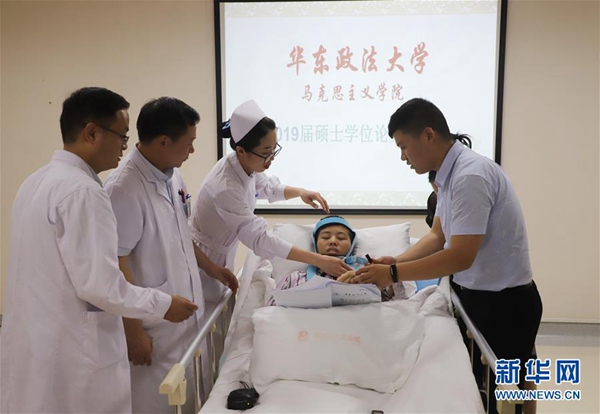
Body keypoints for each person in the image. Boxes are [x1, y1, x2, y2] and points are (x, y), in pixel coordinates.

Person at [0, 87, 198, 414]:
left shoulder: (35, 182)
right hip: (74, 357)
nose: (125, 147)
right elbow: (101, 286)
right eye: (122, 137)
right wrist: (164, 304)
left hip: (38, 346)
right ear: (91, 133)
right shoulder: (85, 193)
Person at [347, 98, 543, 414]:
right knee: (484, 391)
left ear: (428, 135)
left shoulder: (470, 175)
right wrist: (396, 261)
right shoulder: (446, 177)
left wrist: (393, 274)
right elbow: (437, 236)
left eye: (404, 146)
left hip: (505, 303)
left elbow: (460, 256)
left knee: (512, 394)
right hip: (475, 296)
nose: (402, 157)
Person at [104, 97, 236, 414]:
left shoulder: (172, 175)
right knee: (157, 402)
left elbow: (181, 233)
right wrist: (133, 331)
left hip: (184, 316)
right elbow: (116, 263)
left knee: (190, 395)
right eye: (189, 142)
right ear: (164, 142)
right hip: (154, 327)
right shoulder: (123, 189)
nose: (192, 150)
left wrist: (212, 268)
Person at [189, 100, 351, 302]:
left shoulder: (244, 165)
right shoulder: (225, 188)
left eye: (274, 149)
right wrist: (319, 260)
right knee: (201, 309)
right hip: (203, 260)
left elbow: (267, 187)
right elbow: (260, 239)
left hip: (221, 253)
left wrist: (300, 192)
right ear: (241, 151)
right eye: (266, 153)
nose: (271, 158)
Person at [266, 216, 412, 306]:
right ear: (315, 243)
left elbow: (394, 307)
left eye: (341, 238)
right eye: (325, 237)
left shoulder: (368, 275)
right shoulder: (296, 278)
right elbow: (272, 310)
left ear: (352, 244)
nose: (333, 241)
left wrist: (377, 284)